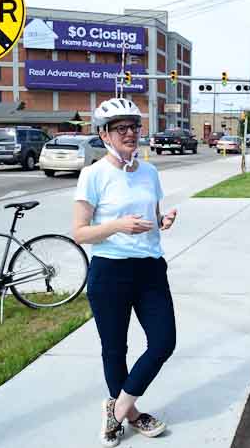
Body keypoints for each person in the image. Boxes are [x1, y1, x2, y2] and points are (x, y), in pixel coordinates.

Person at [73, 98, 178, 447]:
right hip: (110, 272)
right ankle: (132, 414)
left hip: (149, 269)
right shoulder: (93, 175)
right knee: (115, 350)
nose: (130, 133)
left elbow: (153, 221)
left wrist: (163, 221)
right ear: (105, 134)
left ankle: (116, 411)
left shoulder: (150, 172)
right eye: (121, 128)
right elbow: (80, 232)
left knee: (164, 342)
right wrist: (118, 225)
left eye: (134, 126)